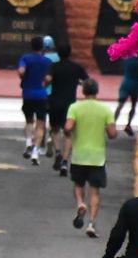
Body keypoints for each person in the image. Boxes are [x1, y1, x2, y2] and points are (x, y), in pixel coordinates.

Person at [64, 78, 118, 238]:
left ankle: (80, 203)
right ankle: (91, 224)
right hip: (97, 157)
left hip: (79, 155)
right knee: (95, 192)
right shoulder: (105, 109)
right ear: (97, 91)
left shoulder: (74, 107)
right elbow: (113, 134)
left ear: (83, 91)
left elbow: (68, 127)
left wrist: (68, 133)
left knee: (78, 185)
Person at [45, 42, 90, 176]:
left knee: (54, 129)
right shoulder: (76, 68)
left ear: (58, 53)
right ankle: (65, 162)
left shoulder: (53, 66)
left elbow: (47, 79)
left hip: (55, 101)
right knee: (68, 133)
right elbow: (87, 82)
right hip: (70, 104)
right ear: (70, 53)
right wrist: (78, 82)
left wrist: (46, 82)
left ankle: (57, 152)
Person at [15, 36, 53, 165]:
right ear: (42, 47)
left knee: (29, 120)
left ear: (31, 46)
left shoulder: (25, 58)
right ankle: (35, 152)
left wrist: (23, 78)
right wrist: (43, 84)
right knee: (41, 124)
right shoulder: (47, 61)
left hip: (27, 93)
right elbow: (48, 79)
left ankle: (27, 144)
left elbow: (21, 71)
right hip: (41, 94)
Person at [113, 52, 138, 136]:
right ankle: (128, 124)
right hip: (135, 84)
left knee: (120, 104)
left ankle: (113, 123)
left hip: (125, 82)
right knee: (133, 105)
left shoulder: (126, 58)